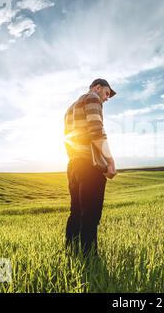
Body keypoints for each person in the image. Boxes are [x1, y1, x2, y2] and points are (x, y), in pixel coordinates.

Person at [64, 78, 117, 257]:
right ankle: (90, 260)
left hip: (73, 165)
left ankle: (71, 252)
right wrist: (110, 161)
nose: (107, 98)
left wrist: (74, 159)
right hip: (90, 166)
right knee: (91, 216)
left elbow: (67, 140)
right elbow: (96, 130)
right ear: (97, 87)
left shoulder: (70, 109)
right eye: (107, 93)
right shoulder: (93, 98)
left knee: (76, 212)